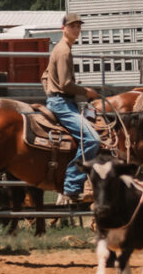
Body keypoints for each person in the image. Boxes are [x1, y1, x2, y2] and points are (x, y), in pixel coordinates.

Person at [41, 12, 101, 203]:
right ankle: (72, 186)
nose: (76, 29)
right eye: (72, 26)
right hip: (62, 102)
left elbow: (44, 76)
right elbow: (66, 84)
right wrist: (86, 92)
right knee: (92, 140)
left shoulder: (61, 48)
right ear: (63, 28)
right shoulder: (64, 51)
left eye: (78, 26)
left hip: (60, 100)